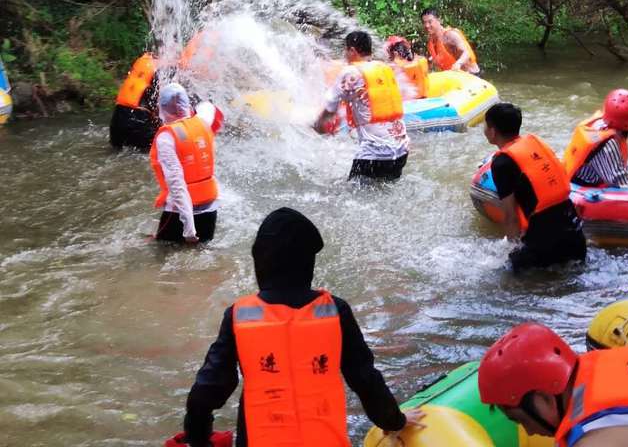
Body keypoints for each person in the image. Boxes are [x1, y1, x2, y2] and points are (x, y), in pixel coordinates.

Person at [182, 207, 425, 447]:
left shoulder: (239, 316)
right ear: (307, 263)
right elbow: (365, 379)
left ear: (260, 261)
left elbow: (205, 393)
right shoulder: (335, 311)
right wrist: (394, 421)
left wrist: (198, 439)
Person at [478, 322, 628, 447]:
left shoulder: (598, 438)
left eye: (522, 420)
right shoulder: (601, 364)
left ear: (543, 397)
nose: (529, 431)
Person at [484, 103, 586, 272]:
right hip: (575, 236)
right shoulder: (535, 143)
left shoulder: (502, 163)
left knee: (506, 274)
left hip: (546, 244)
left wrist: (512, 250)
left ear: (493, 131)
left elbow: (511, 217)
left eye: (486, 126)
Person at [313, 31, 411, 181]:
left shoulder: (351, 72)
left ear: (352, 50)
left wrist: (317, 126)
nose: (345, 54)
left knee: (348, 197)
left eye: (346, 50)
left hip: (375, 153)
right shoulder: (383, 68)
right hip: (401, 150)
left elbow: (329, 108)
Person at [150, 82, 224, 243]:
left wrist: (189, 229)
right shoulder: (202, 122)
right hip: (210, 208)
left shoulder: (166, 138)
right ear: (187, 104)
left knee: (161, 255)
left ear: (162, 108)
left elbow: (177, 184)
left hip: (179, 214)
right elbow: (211, 109)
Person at [563, 89, 628, 187]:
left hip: (574, 173)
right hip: (584, 183)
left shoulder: (598, 124)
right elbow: (621, 185)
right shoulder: (609, 144)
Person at [110, 51, 163, 149]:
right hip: (139, 119)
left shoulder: (140, 63)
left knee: (117, 152)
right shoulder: (161, 68)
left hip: (117, 119)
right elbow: (159, 104)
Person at [420, 8, 479, 74]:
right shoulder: (431, 43)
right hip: (454, 78)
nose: (427, 25)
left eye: (430, 21)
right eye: (424, 22)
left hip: (472, 75)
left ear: (439, 20)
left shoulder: (450, 35)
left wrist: (458, 64)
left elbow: (467, 52)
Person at [385, 35, 429, 99]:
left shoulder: (394, 67)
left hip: (408, 101)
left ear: (394, 53)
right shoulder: (419, 61)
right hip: (424, 96)